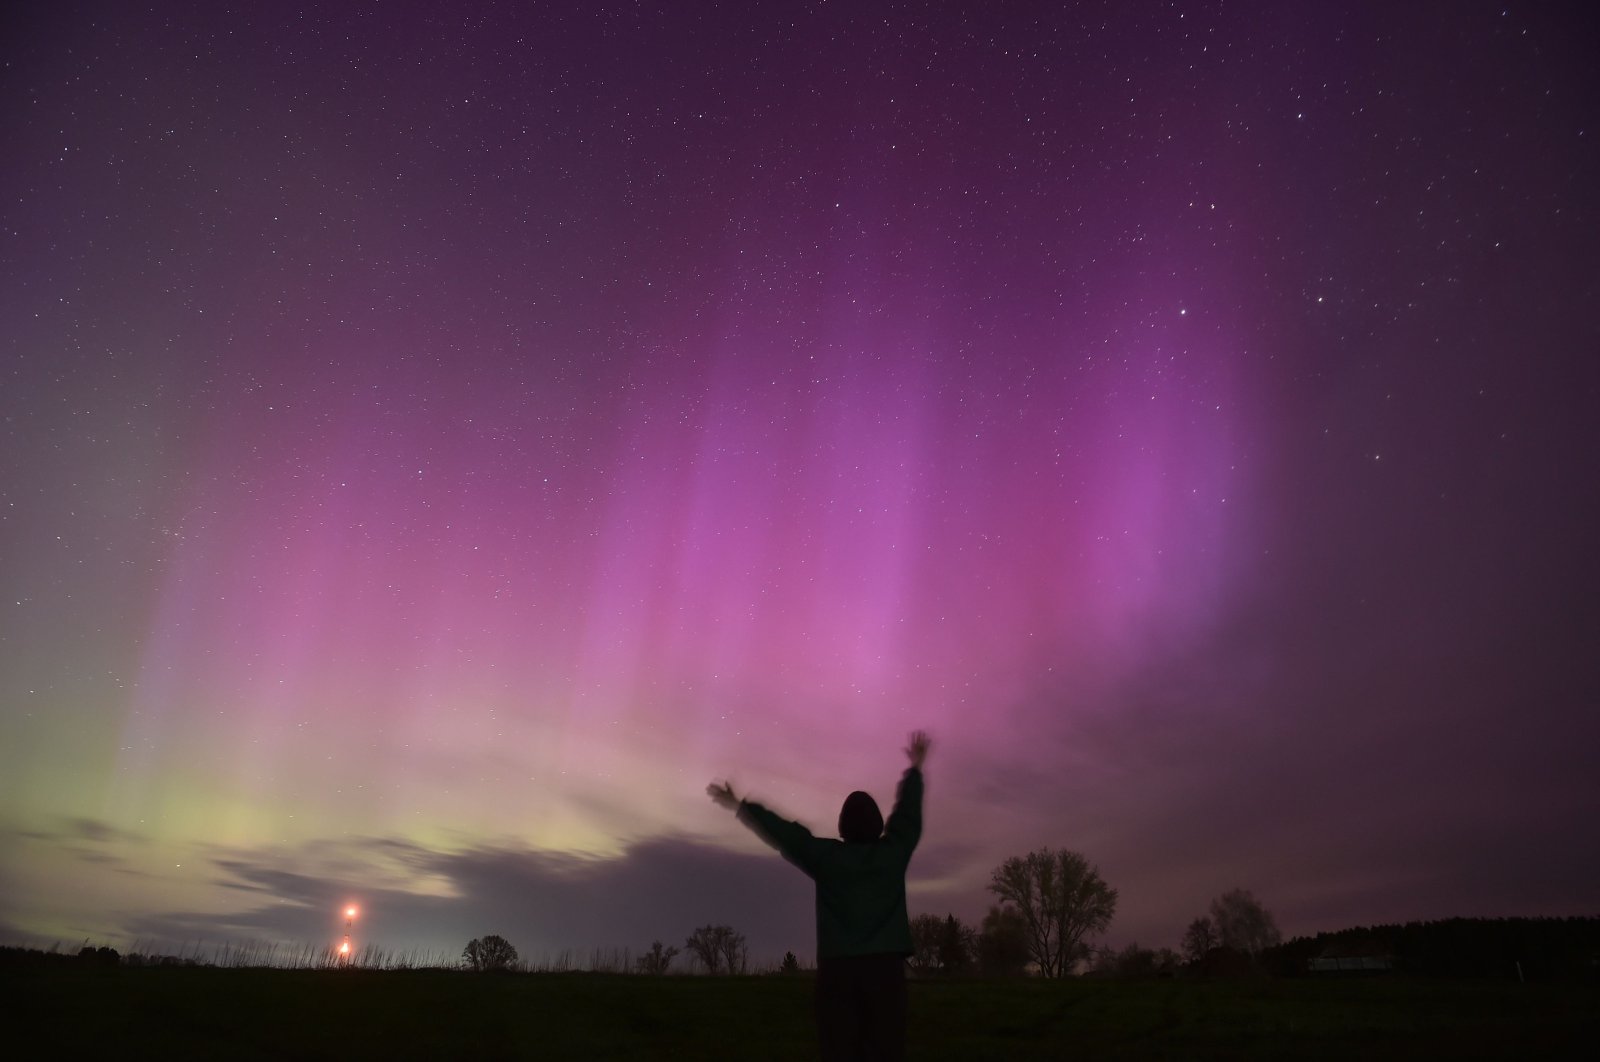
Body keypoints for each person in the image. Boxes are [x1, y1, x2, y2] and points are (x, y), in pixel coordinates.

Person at [708, 730, 929, 1062]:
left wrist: (743, 807)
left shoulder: (828, 859)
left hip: (837, 972)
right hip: (886, 972)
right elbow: (908, 817)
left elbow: (789, 835)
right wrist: (915, 769)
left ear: (842, 827)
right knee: (886, 1049)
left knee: (838, 1049)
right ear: (879, 825)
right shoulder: (893, 853)